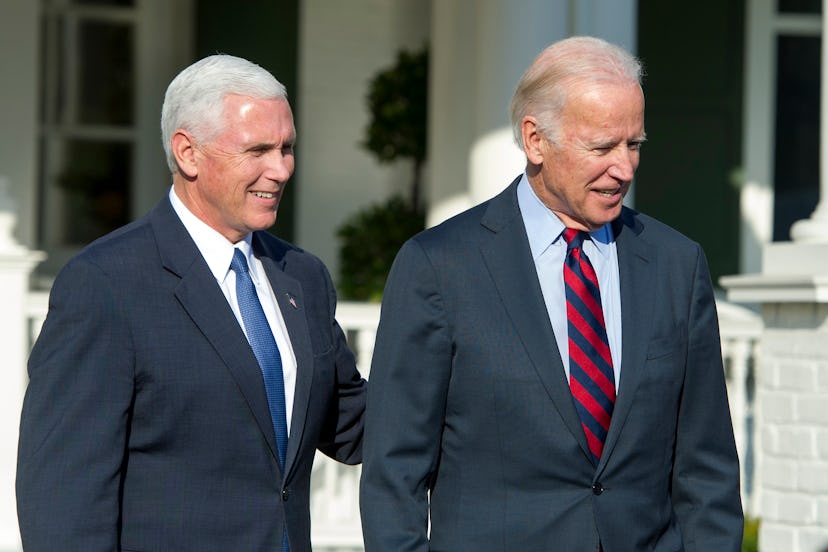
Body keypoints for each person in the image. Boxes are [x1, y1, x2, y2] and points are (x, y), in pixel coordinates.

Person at [360, 36, 743, 551]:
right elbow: (394, 473)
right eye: (602, 147)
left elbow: (707, 467)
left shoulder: (676, 264)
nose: (625, 168)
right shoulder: (439, 267)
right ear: (536, 140)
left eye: (634, 144)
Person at [17, 54, 367, 551]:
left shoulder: (301, 277)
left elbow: (349, 421)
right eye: (259, 149)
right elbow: (62, 497)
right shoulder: (105, 284)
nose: (282, 168)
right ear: (188, 153)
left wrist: (483, 392)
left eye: (287, 147)